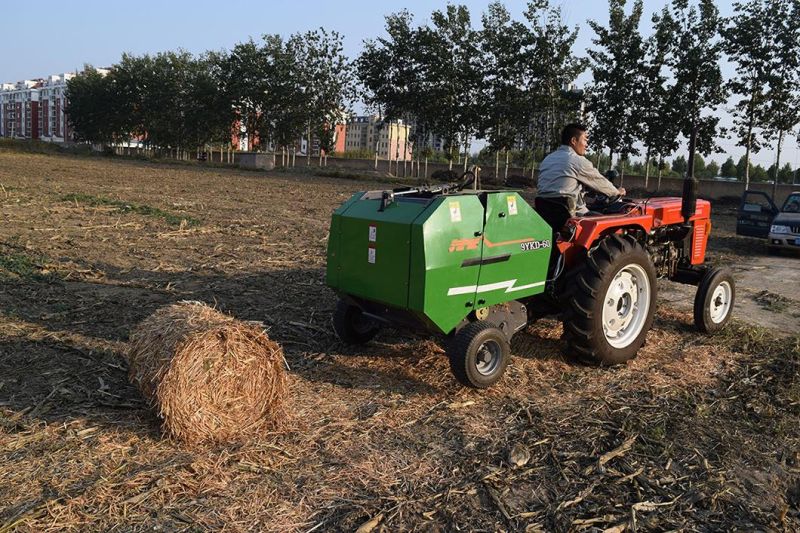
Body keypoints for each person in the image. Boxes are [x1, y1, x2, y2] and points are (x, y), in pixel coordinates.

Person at [534, 123, 626, 233]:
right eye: (585, 140)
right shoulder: (576, 160)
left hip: (547, 213)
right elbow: (600, 182)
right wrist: (617, 192)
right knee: (611, 225)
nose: (586, 144)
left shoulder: (548, 159)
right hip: (570, 215)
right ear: (574, 141)